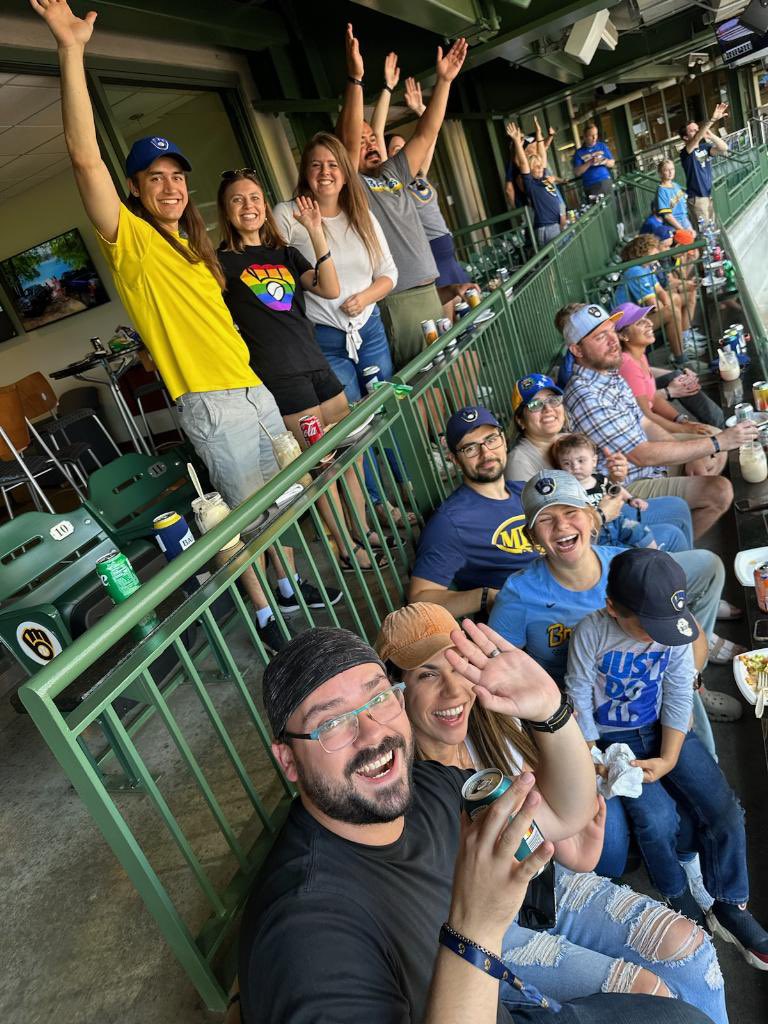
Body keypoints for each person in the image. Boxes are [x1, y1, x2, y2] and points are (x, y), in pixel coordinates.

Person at [32, 0, 336, 653]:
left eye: (176, 177)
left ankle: (283, 591)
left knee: (271, 513)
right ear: (136, 190)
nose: (169, 186)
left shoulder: (196, 251)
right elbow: (85, 158)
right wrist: (71, 49)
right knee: (242, 516)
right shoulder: (132, 244)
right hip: (212, 402)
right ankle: (264, 617)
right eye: (154, 178)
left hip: (252, 391)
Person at [238, 624, 720, 1024]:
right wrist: (477, 928)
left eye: (378, 700)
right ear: (289, 761)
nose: (372, 734)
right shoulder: (303, 932)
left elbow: (562, 813)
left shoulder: (428, 786)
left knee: (689, 982)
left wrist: (549, 712)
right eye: (332, 723)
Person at [375, 602, 727, 1022]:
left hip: (541, 885)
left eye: (460, 665)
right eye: (427, 675)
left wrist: (548, 710)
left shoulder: (491, 727)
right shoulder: (392, 779)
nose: (454, 691)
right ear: (395, 691)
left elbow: (563, 817)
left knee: (690, 946)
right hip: (476, 921)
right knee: (646, 993)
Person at [566, 546, 768, 970]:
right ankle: (677, 896)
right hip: (615, 741)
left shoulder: (673, 632)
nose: (662, 634)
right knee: (657, 821)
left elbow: (679, 692)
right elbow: (579, 697)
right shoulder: (592, 632)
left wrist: (671, 757)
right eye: (648, 624)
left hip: (664, 729)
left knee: (726, 809)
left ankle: (730, 903)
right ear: (612, 608)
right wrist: (591, 756)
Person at [487, 469, 742, 752]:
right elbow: (499, 667)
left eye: (571, 512)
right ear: (532, 536)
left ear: (591, 516)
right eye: (545, 519)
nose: (561, 526)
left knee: (701, 756)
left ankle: (699, 694)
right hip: (578, 710)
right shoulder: (519, 594)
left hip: (650, 688)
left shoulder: (626, 565)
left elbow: (685, 629)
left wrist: (688, 681)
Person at [217, 169, 389, 576]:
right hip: (281, 378)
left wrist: (315, 230)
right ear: (226, 210)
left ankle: (362, 531)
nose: (249, 206)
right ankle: (346, 549)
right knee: (321, 464)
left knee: (351, 452)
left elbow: (330, 288)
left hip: (317, 364)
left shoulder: (285, 253)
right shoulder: (221, 263)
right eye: (238, 200)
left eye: (255, 198)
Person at [559, 303, 759, 537]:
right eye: (600, 337)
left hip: (649, 466)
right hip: (626, 485)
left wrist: (695, 450)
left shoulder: (608, 373)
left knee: (709, 439)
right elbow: (640, 455)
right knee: (720, 491)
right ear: (577, 350)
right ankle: (670, 554)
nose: (613, 341)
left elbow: (646, 423)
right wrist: (716, 443)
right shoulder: (585, 395)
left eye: (611, 330)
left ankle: (673, 522)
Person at [336, 24, 466, 369]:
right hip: (397, 300)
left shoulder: (393, 173)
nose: (370, 144)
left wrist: (444, 83)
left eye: (371, 138)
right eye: (360, 141)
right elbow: (348, 142)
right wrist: (356, 80)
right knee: (423, 387)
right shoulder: (352, 187)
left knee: (452, 371)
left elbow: (427, 133)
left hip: (428, 291)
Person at [272, 132, 398, 404]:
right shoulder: (287, 214)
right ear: (305, 172)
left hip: (369, 329)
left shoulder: (361, 215)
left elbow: (389, 273)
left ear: (344, 173)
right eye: (316, 165)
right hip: (323, 338)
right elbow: (274, 277)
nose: (325, 172)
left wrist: (363, 298)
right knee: (349, 416)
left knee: (386, 406)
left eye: (333, 164)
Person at [505, 373, 695, 550]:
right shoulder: (519, 462)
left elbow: (595, 484)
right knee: (671, 535)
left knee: (678, 507)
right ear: (521, 420)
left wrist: (616, 477)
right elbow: (538, 535)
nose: (548, 409)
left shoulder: (567, 440)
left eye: (553, 400)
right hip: (587, 542)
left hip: (608, 516)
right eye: (535, 405)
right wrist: (601, 516)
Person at [371, 64, 473, 310]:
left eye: (404, 147)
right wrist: (387, 88)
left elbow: (431, 134)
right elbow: (376, 130)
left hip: (448, 254)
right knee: (448, 327)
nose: (404, 152)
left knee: (471, 317)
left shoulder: (421, 174)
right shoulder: (392, 182)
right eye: (396, 150)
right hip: (430, 259)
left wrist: (420, 110)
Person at [614, 302, 729, 480]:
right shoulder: (627, 365)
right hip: (645, 436)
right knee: (714, 442)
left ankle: (704, 482)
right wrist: (684, 428)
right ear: (624, 336)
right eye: (639, 323)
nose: (649, 323)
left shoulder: (639, 354)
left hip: (656, 426)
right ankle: (702, 486)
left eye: (646, 319)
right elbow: (646, 416)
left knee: (716, 439)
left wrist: (681, 419)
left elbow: (653, 398)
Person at [550, 432, 670, 551]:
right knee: (612, 550)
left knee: (640, 531)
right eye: (567, 463)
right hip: (596, 533)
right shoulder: (567, 490)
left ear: (594, 461)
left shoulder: (600, 479)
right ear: (560, 467)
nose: (575, 467)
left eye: (581, 461)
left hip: (617, 520)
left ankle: (656, 551)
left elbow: (616, 489)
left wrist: (631, 499)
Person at [613, 234, 693, 363]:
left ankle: (683, 340)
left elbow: (660, 291)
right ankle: (680, 359)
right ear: (644, 252)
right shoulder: (635, 271)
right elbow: (652, 304)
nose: (657, 251)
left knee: (675, 300)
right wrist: (667, 309)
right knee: (671, 312)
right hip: (626, 325)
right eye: (653, 248)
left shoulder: (646, 267)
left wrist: (667, 305)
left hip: (640, 316)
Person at [506, 123, 565, 247]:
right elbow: (522, 162)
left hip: (555, 224)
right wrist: (517, 141)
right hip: (546, 228)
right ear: (529, 170)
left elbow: (543, 153)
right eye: (535, 166)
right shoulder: (531, 183)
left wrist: (539, 134)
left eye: (540, 165)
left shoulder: (543, 177)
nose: (539, 168)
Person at [679, 103, 730, 226]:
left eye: (698, 129)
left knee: (712, 230)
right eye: (693, 130)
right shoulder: (686, 152)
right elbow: (696, 139)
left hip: (707, 195)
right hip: (696, 199)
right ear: (685, 137)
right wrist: (712, 120)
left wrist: (711, 135)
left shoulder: (704, 148)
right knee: (705, 233)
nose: (697, 132)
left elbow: (723, 148)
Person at [572, 122, 615, 199]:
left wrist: (604, 161)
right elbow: (577, 172)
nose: (594, 138)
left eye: (596, 134)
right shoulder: (579, 152)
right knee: (599, 209)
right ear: (585, 137)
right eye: (591, 136)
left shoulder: (602, 146)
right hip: (591, 185)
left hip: (606, 181)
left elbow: (612, 163)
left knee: (612, 207)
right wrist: (590, 162)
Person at [656, 159, 692, 232]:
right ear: (660, 173)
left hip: (685, 220)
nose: (670, 172)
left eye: (672, 169)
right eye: (666, 170)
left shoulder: (676, 185)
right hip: (674, 224)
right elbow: (667, 215)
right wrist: (682, 229)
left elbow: (683, 202)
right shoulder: (661, 190)